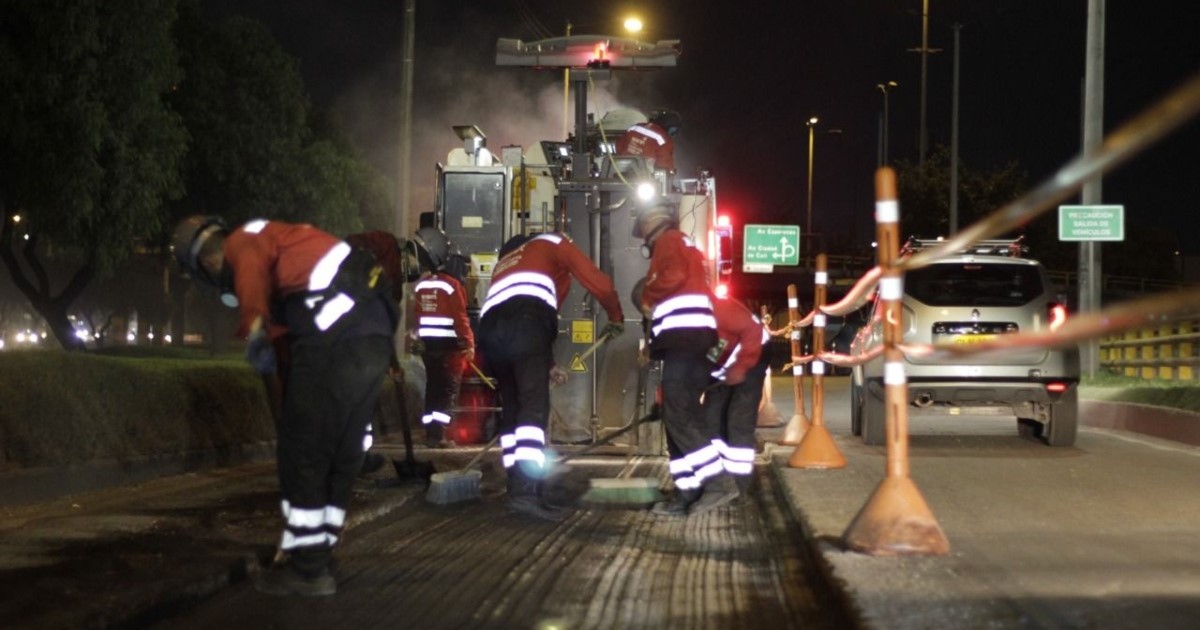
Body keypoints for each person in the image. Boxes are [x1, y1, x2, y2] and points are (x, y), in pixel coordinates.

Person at [172, 216, 397, 597]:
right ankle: (319, 555)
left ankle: (308, 570)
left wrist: (254, 325)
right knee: (342, 453)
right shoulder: (289, 262)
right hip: (374, 331)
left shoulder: (245, 240)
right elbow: (285, 352)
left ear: (208, 264)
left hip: (334, 324)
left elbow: (251, 275)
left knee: (304, 452)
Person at [478, 232, 624, 520]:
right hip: (525, 324)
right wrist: (616, 317)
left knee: (513, 408)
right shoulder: (553, 242)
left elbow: (527, 320)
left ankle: (516, 483)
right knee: (533, 409)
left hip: (490, 330)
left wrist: (549, 364)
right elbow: (599, 284)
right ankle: (526, 493)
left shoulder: (507, 261)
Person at [632, 203, 720, 516]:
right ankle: (688, 491)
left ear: (650, 226)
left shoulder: (668, 241)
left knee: (680, 417)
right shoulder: (686, 245)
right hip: (692, 343)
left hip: (685, 341)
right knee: (679, 417)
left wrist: (648, 294)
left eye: (642, 232)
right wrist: (652, 349)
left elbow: (673, 277)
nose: (643, 240)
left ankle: (716, 483)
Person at [700, 296, 771, 506]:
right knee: (711, 420)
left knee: (738, 422)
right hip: (722, 363)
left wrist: (740, 367)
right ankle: (719, 482)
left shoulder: (718, 309)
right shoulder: (684, 317)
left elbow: (753, 332)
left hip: (754, 355)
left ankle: (741, 488)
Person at [408, 227, 474, 448]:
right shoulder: (452, 285)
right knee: (448, 390)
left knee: (432, 387)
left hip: (429, 347)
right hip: (450, 348)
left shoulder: (422, 285)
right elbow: (461, 318)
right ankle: (442, 435)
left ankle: (431, 435)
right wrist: (469, 344)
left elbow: (418, 317)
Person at [614, 109, 681, 173]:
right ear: (669, 126)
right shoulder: (664, 139)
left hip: (621, 171)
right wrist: (670, 173)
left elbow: (619, 147)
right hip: (644, 177)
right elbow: (664, 164)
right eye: (673, 130)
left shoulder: (634, 127)